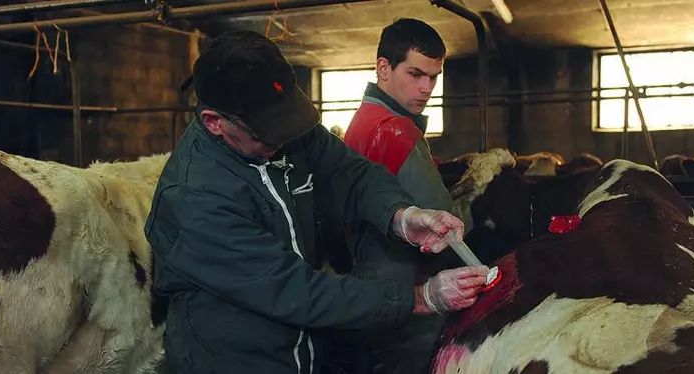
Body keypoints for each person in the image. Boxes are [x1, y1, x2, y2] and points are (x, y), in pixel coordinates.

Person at [143, 29, 489, 374]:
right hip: (235, 360)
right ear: (214, 123)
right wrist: (419, 297)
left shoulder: (284, 131)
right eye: (268, 132)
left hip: (304, 348)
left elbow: (350, 173)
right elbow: (295, 291)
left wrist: (402, 215)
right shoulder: (196, 199)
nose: (283, 140)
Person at [340, 18, 472, 374]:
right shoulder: (395, 131)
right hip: (411, 299)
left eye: (433, 77)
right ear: (384, 67)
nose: (426, 87)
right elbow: (448, 224)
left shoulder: (363, 120)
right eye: (416, 74)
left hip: (367, 288)